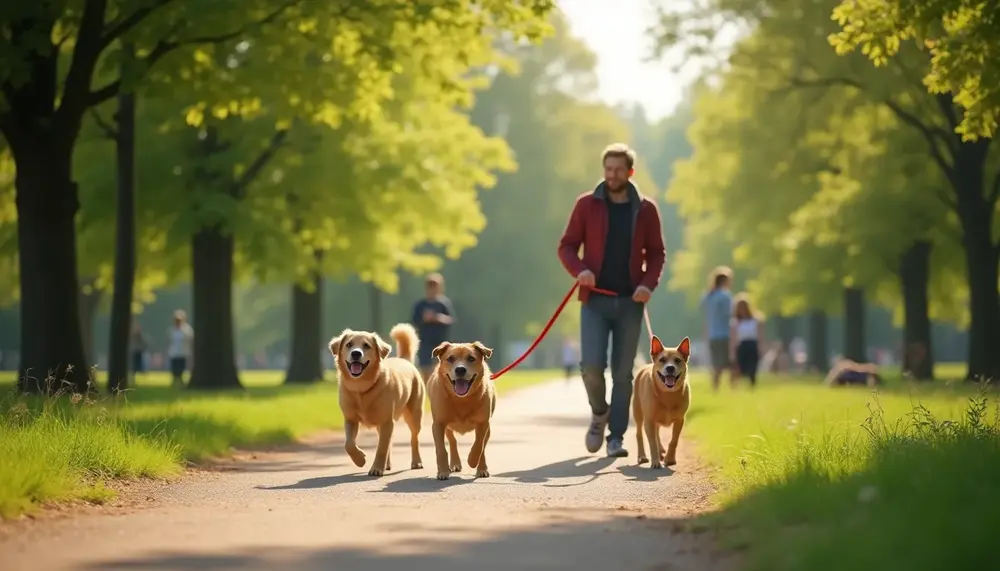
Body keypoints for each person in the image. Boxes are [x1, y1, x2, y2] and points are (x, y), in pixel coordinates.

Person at [557, 142, 666, 458]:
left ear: (630, 172)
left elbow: (657, 254)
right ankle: (599, 413)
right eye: (608, 169)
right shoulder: (586, 205)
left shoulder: (646, 209)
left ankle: (616, 437)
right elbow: (566, 246)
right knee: (591, 366)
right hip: (595, 300)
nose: (612, 175)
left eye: (619, 169)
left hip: (630, 302)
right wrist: (580, 270)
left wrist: (648, 285)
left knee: (622, 372)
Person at [411, 273, 455, 381]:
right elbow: (414, 322)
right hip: (425, 340)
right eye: (430, 286)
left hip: (440, 341)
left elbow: (450, 319)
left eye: (435, 286)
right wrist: (424, 319)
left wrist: (438, 318)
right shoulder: (420, 305)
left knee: (442, 367)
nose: (433, 289)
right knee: (425, 368)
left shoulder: (443, 304)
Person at [701, 267, 733, 391]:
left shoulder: (708, 296)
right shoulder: (725, 296)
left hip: (712, 334)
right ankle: (732, 389)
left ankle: (715, 388)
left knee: (717, 364)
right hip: (725, 333)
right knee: (731, 362)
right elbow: (729, 314)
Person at [729, 294, 764, 388]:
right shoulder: (735, 322)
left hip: (752, 344)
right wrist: (732, 352)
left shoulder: (755, 320)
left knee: (753, 367)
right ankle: (735, 386)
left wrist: (760, 347)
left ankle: (752, 385)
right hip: (742, 346)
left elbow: (760, 335)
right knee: (740, 367)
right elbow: (733, 338)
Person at [167, 310, 194, 388]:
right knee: (174, 368)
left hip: (183, 352)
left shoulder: (187, 329)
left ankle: (180, 381)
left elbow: (190, 340)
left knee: (181, 368)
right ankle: (175, 381)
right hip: (174, 352)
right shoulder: (172, 330)